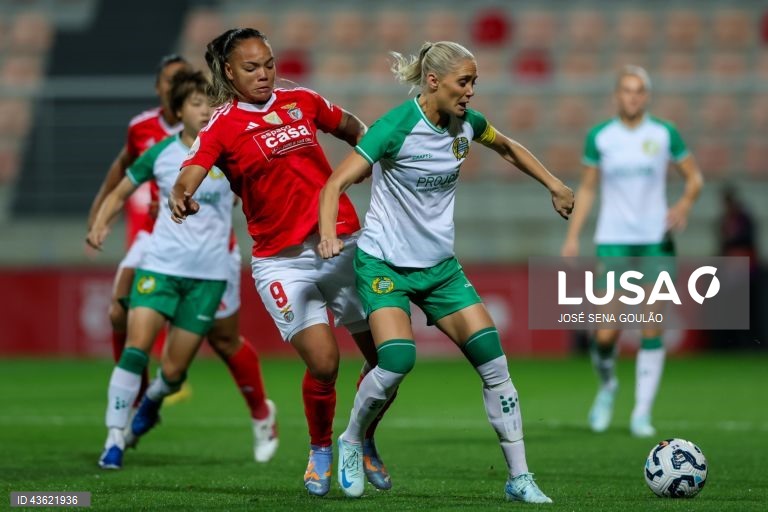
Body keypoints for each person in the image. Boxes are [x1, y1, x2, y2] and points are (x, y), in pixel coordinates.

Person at [318, 41, 573, 503]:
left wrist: (554, 184)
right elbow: (335, 182)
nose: (471, 91)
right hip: (385, 265)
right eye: (464, 82)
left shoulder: (467, 125)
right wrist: (328, 235)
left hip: (440, 270)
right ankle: (352, 439)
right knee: (396, 362)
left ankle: (519, 477)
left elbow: (508, 147)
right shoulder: (393, 128)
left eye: (474, 82)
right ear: (433, 82)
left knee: (495, 365)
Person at [170, 28, 394, 496]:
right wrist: (181, 194)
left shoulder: (303, 101)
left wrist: (374, 154)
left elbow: (353, 128)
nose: (264, 74)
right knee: (325, 363)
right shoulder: (222, 122)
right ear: (229, 72)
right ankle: (320, 449)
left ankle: (362, 438)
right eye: (251, 68)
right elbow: (193, 167)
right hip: (281, 262)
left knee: (386, 359)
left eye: (269, 64)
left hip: (343, 243)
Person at [86, 56, 274, 460]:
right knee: (137, 349)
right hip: (160, 266)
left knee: (172, 373)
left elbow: (262, 191)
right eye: (195, 103)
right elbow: (121, 188)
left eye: (210, 102)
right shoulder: (161, 154)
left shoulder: (232, 152)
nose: (205, 109)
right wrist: (102, 220)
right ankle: (114, 438)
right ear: (180, 111)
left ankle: (152, 401)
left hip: (208, 276)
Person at [560, 65, 703, 437]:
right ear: (616, 95)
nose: (633, 96)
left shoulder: (664, 132)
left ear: (647, 95)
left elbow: (695, 177)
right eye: (626, 90)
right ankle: (608, 387)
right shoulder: (601, 137)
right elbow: (588, 187)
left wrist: (685, 204)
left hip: (656, 240)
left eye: (639, 90)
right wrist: (573, 234)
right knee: (606, 334)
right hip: (614, 240)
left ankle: (641, 412)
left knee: (649, 325)